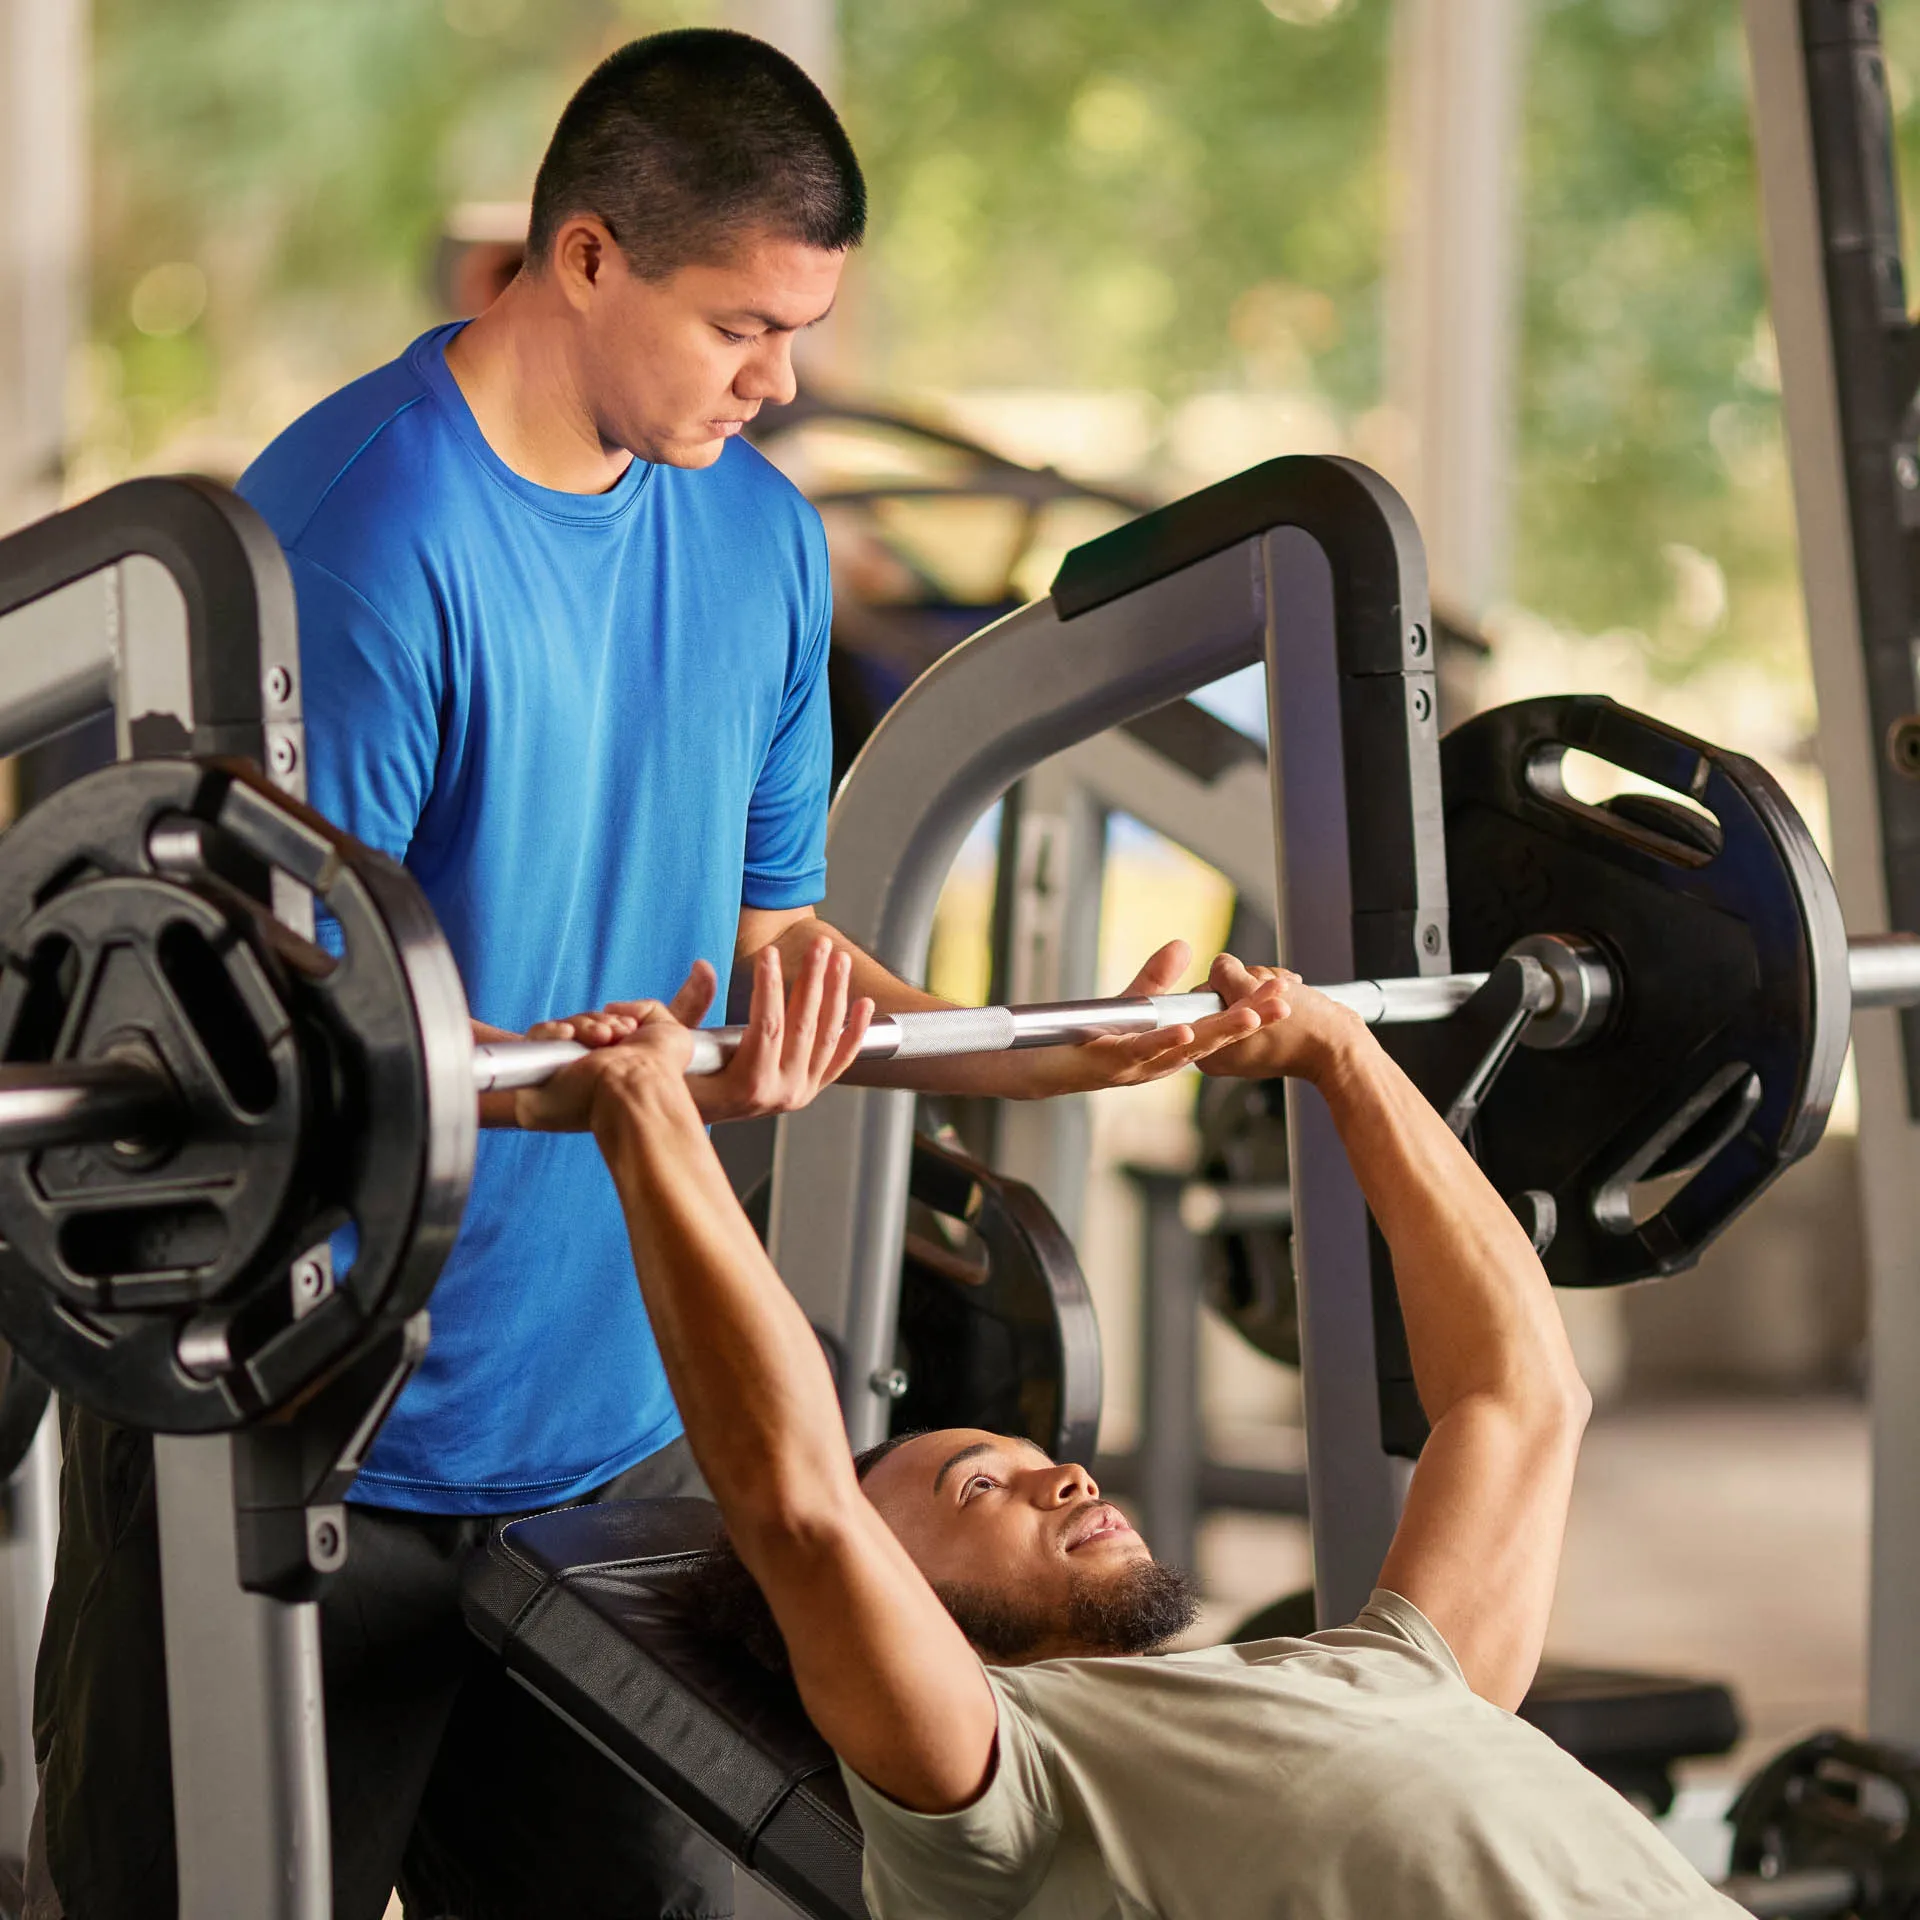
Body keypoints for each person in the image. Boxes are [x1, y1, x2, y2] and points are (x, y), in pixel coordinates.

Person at [27, 29, 1281, 1920]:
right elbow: (274, 1057)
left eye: (803, 332)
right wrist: (652, 1078)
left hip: (616, 1451)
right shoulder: (358, 548)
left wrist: (1021, 1055)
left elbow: (775, 953)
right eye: (739, 329)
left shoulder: (761, 542)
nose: (780, 387)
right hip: (314, 1440)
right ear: (589, 257)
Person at [520, 951, 1747, 1920]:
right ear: (886, 1603)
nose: (1061, 1472)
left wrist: (1339, 1055)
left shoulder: (1399, 1671)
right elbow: (799, 1513)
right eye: (974, 1485)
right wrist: (650, 1121)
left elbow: (1522, 1396)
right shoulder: (1009, 1799)